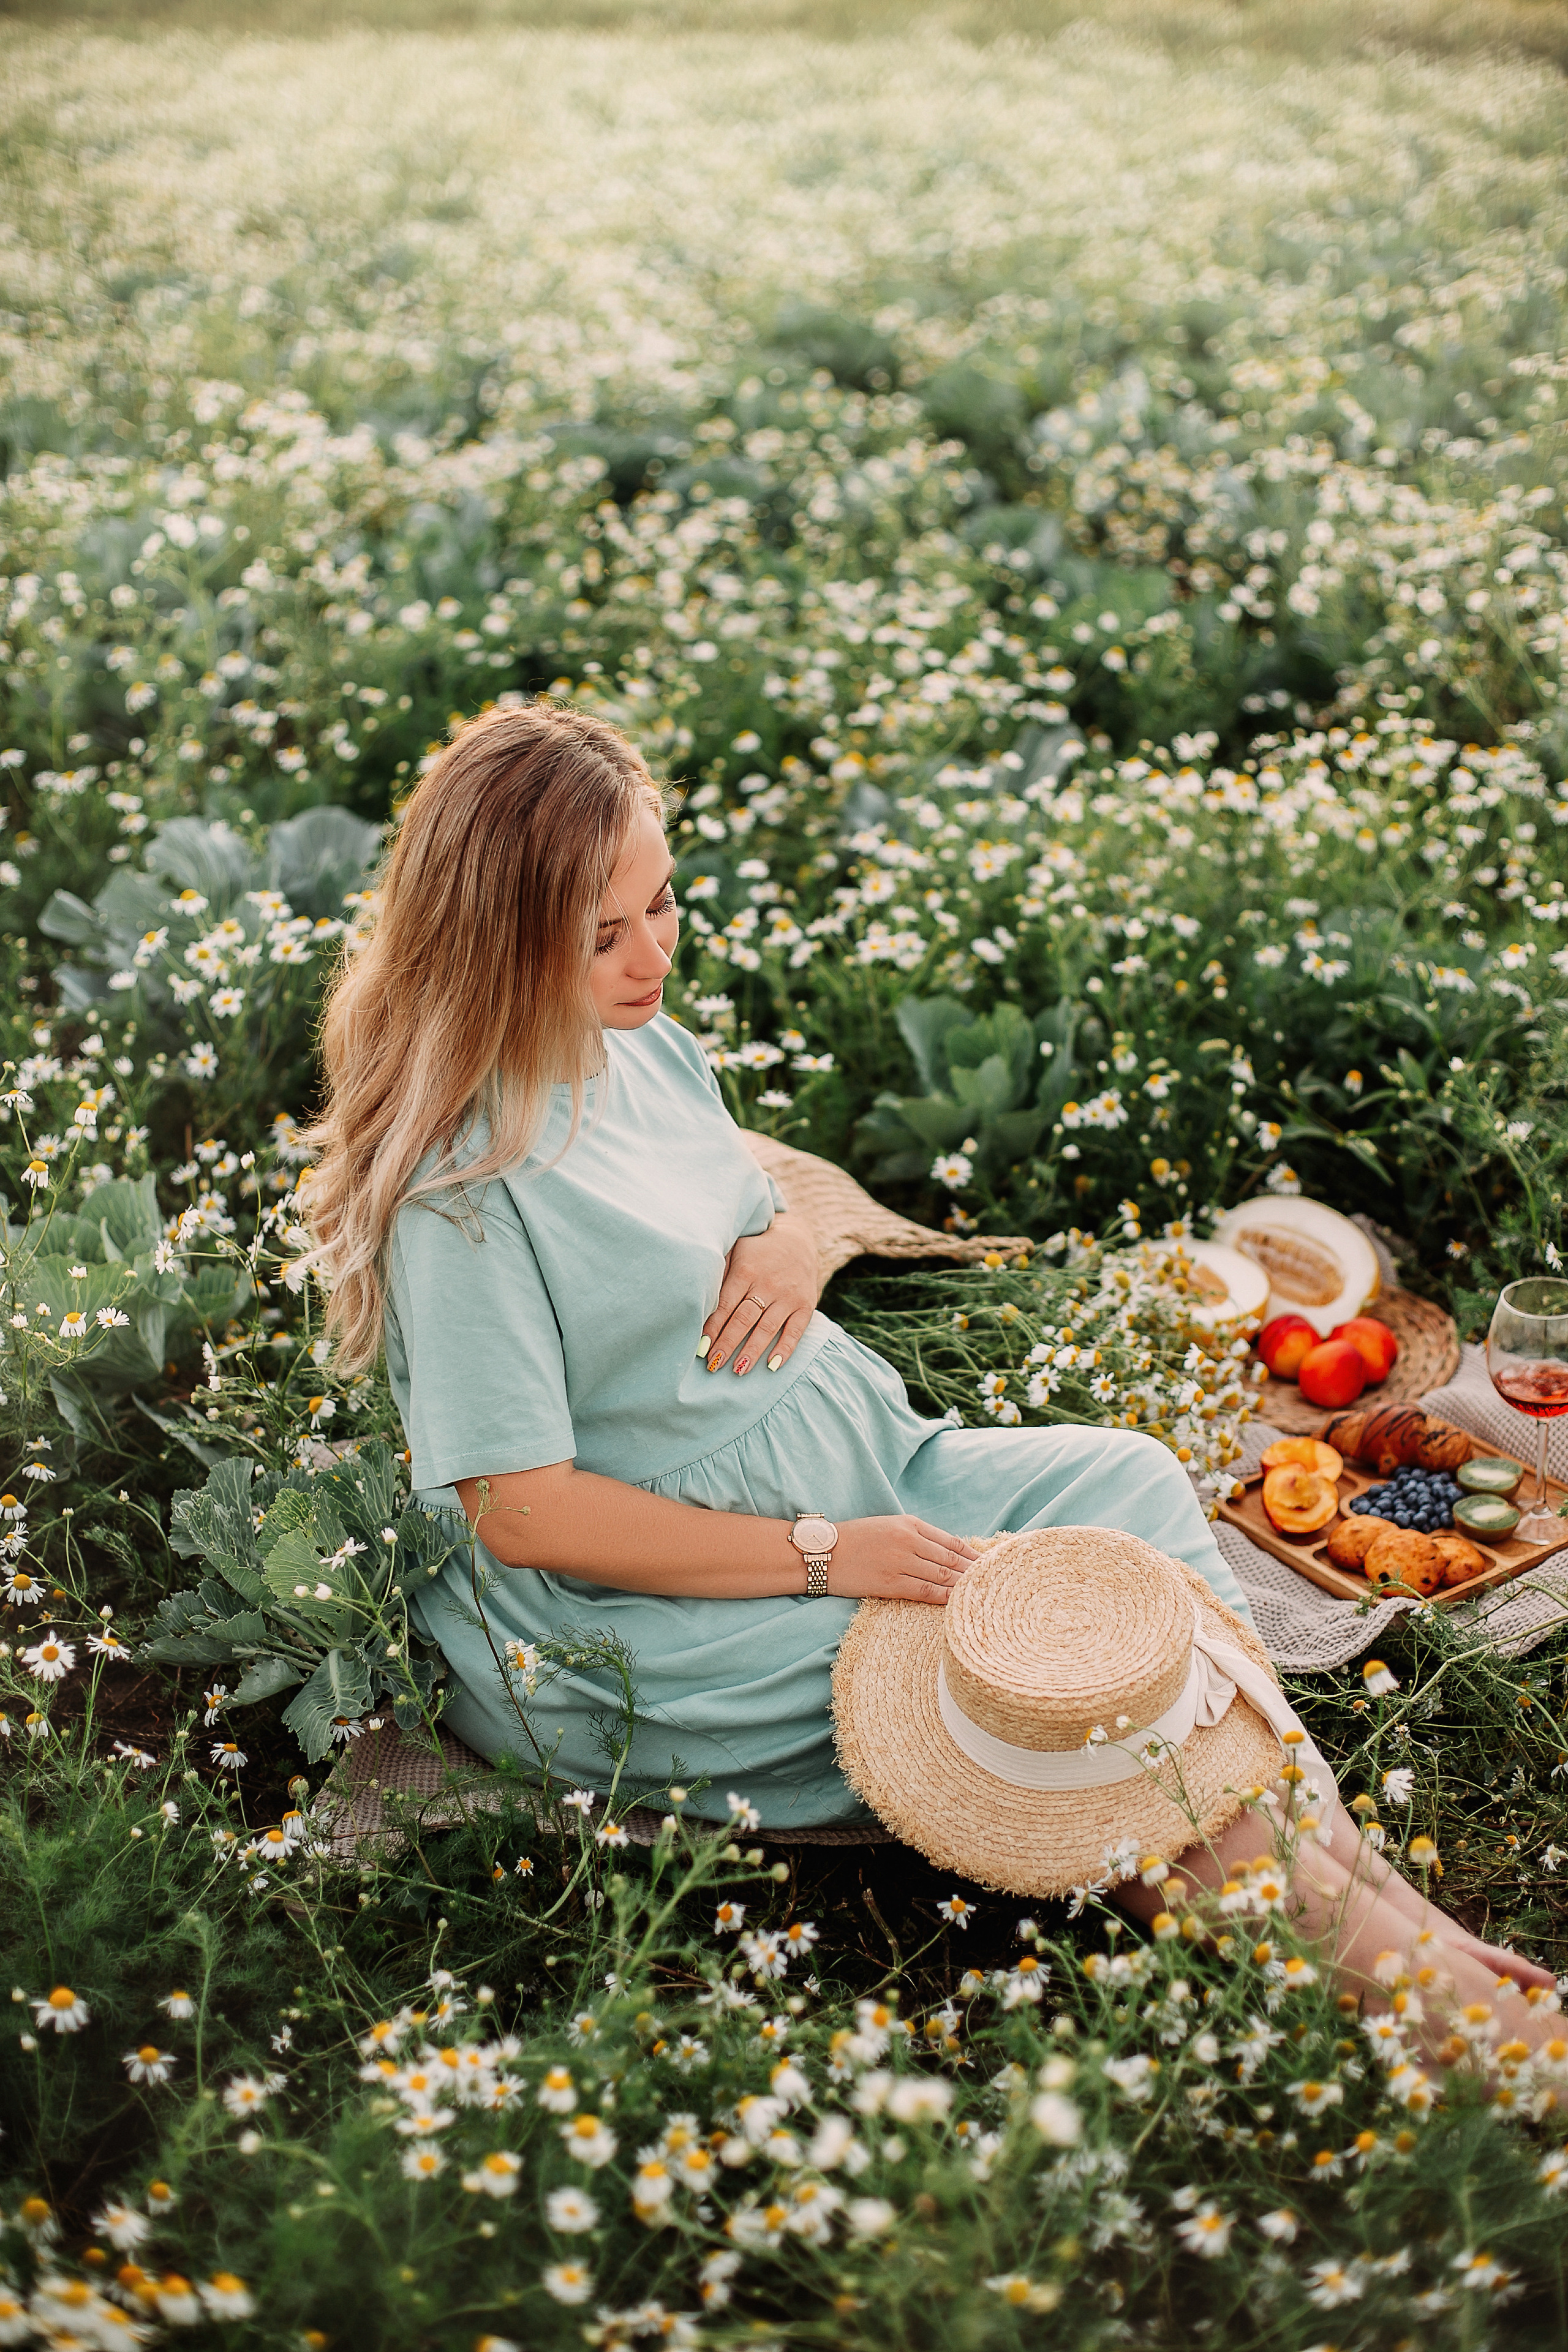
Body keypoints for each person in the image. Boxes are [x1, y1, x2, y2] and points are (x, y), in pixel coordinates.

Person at [304, 701, 1554, 2032]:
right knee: (1027, 1702)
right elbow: (522, 1509)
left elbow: (742, 1191)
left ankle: (1379, 1896)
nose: (650, 955)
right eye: (599, 936)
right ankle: (1443, 2010)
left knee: (1126, 1491)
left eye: (661, 904)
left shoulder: (637, 1039)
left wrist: (788, 1244)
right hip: (649, 1607)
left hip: (856, 1465)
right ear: (493, 947)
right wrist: (827, 1554)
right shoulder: (458, 1195)